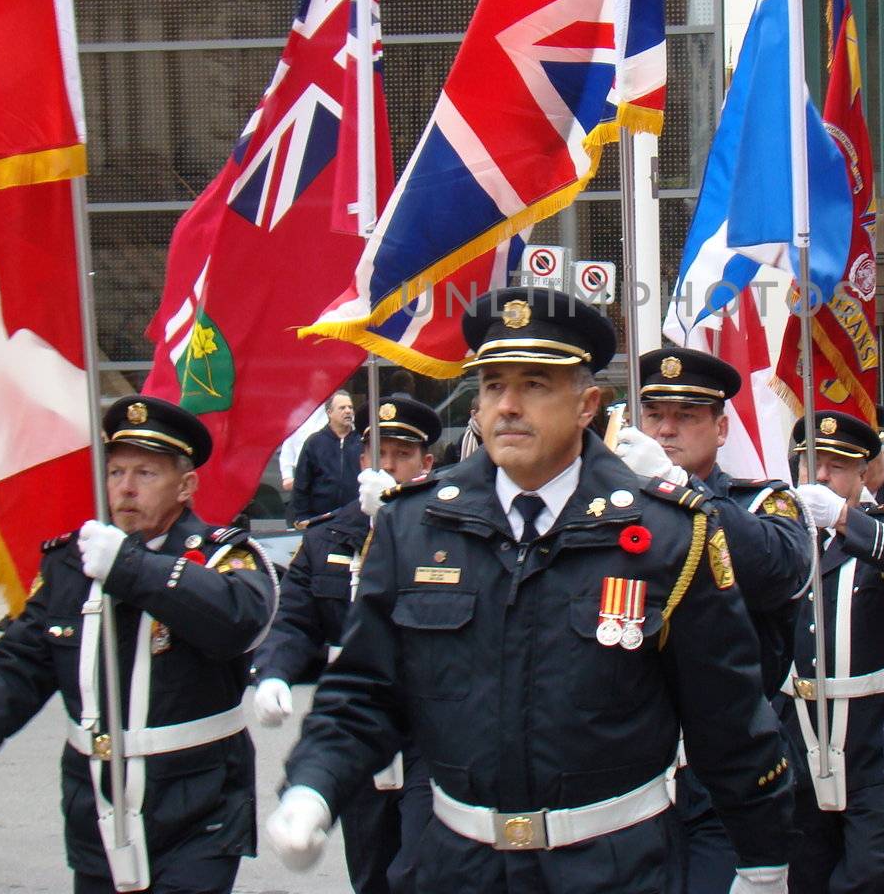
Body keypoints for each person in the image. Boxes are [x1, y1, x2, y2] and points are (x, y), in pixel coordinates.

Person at [265, 288, 796, 893]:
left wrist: (762, 861)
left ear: (587, 404)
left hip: (614, 867)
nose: (508, 406)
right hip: (458, 866)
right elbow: (366, 688)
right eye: (493, 386)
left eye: (536, 385)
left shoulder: (669, 532)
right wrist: (313, 786)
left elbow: (726, 718)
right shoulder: (414, 525)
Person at [0, 395, 277, 893]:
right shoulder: (74, 561)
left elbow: (238, 619)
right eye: (116, 473)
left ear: (186, 485)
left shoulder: (221, 556)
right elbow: (22, 660)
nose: (126, 489)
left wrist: (132, 568)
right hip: (97, 800)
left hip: (198, 804)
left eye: (146, 474)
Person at [612, 347, 811, 894]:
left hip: (728, 770)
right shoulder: (608, 510)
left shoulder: (764, 504)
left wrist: (681, 492)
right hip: (629, 764)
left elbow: (775, 569)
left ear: (722, 429)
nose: (667, 430)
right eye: (655, 415)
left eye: (688, 417)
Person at [253, 392, 442, 894]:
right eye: (378, 454)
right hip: (358, 720)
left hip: (431, 721)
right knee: (371, 867)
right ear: (360, 461)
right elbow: (295, 620)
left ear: (425, 464)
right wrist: (274, 670)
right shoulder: (327, 538)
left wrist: (401, 523)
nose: (388, 466)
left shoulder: (449, 531)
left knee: (421, 869)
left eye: (402, 455)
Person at [786, 411, 884, 894]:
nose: (819, 476)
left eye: (836, 465)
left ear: (864, 473)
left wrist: (843, 520)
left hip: (873, 740)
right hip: (799, 738)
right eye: (809, 463)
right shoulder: (785, 531)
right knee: (806, 875)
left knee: (873, 876)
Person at [291, 390, 363, 525]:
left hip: (355, 520)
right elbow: (301, 484)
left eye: (350, 407)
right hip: (320, 521)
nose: (348, 411)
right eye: (342, 408)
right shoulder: (314, 442)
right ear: (329, 413)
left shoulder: (362, 441)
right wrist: (303, 517)